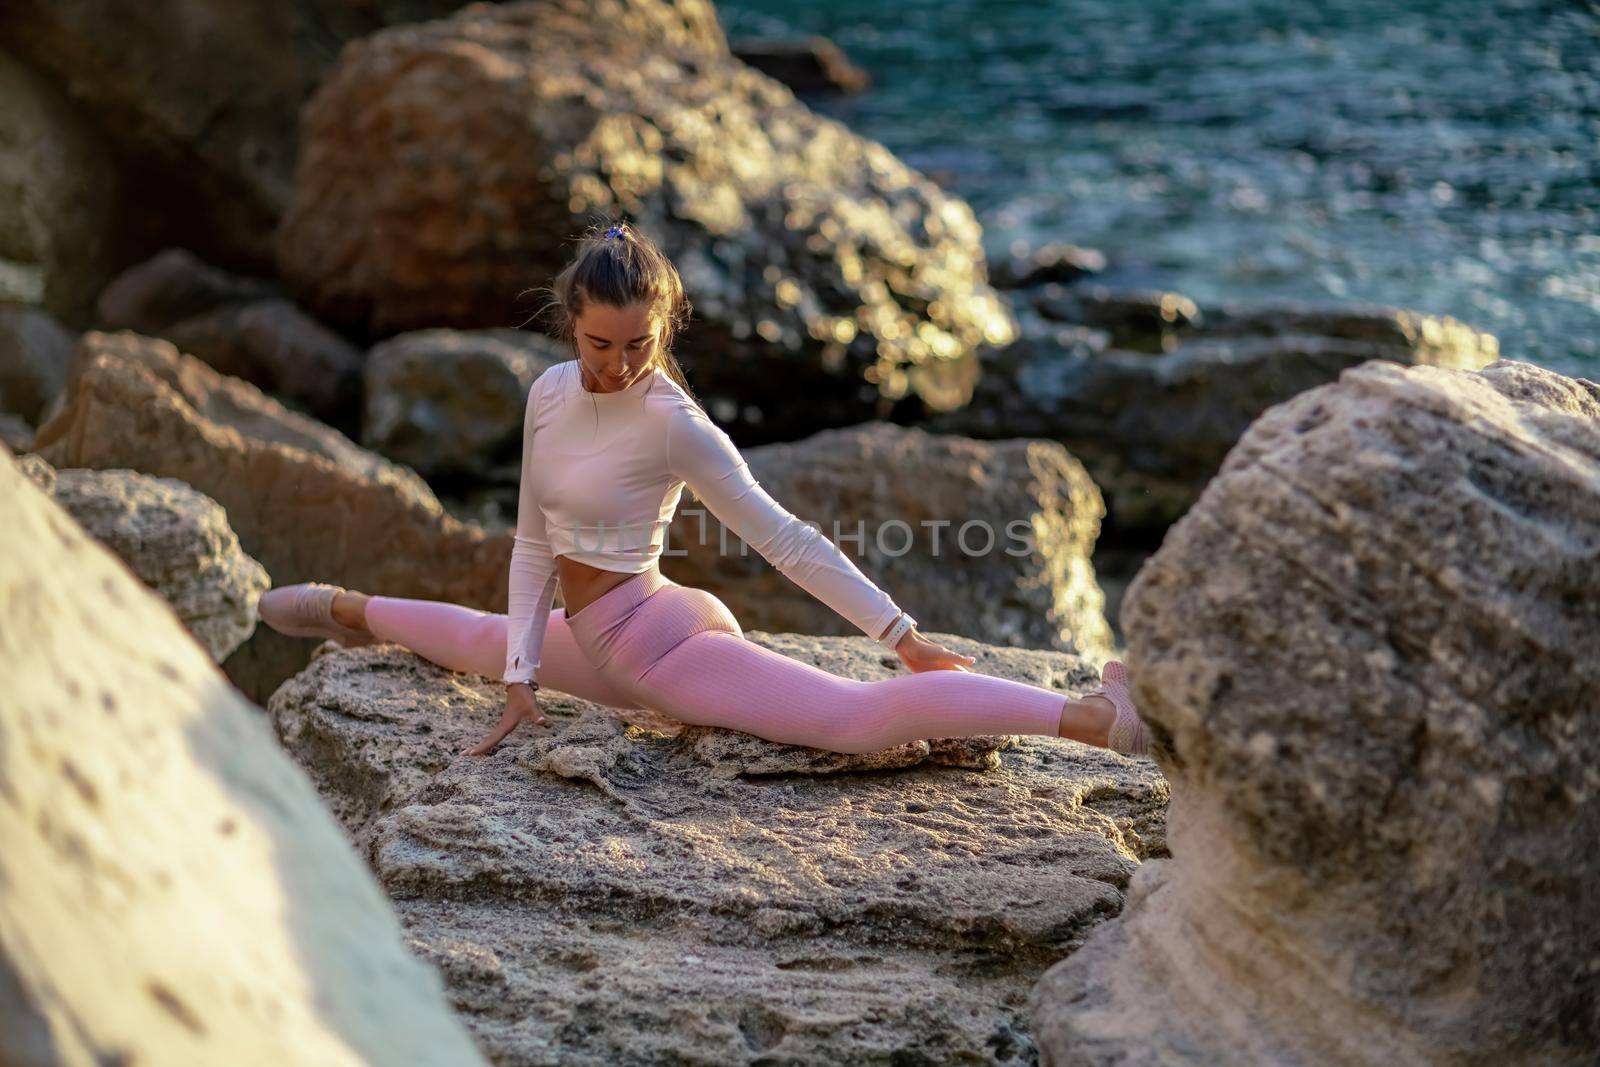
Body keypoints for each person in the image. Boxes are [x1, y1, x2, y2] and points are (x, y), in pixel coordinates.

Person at [259, 221, 1152, 760]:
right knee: (486, 639)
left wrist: (901, 634)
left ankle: (1099, 718)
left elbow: (783, 536)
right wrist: (524, 678)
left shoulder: (674, 422)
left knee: (855, 719)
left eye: (638, 345)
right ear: (570, 323)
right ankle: (343, 604)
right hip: (603, 640)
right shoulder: (548, 394)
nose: (617, 365)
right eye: (599, 344)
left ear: (664, 326)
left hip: (658, 645)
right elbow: (533, 541)